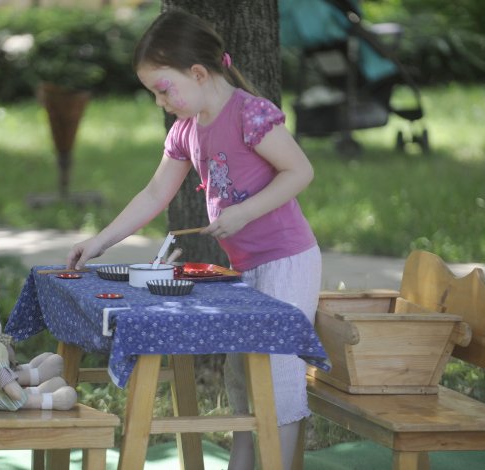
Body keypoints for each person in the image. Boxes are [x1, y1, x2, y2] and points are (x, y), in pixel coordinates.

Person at [66, 9, 322, 470]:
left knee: (278, 377)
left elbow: (300, 170)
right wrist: (101, 241)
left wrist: (243, 211)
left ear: (198, 72)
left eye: (163, 89)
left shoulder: (250, 114)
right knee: (243, 377)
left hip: (288, 261)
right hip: (245, 268)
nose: (161, 103)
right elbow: (154, 193)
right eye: (153, 94)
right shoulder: (186, 131)